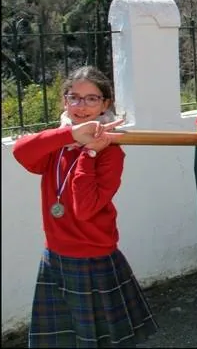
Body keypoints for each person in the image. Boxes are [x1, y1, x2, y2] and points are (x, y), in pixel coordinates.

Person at [12, 66, 158, 348]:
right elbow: (21, 151)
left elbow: (85, 207)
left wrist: (90, 152)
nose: (82, 106)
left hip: (92, 258)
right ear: (64, 101)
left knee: (99, 342)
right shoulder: (57, 142)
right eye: (74, 98)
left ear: (105, 104)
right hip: (55, 255)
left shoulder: (110, 151)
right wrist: (70, 136)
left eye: (92, 98)